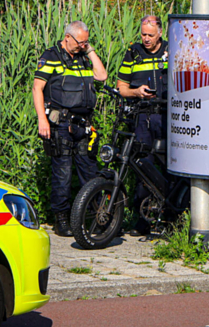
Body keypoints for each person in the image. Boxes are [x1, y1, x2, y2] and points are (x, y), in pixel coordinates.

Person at [33, 21, 107, 236]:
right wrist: (42, 120)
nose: (83, 45)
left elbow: (102, 76)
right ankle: (61, 219)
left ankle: (96, 217)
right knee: (62, 174)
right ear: (67, 37)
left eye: (86, 41)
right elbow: (37, 88)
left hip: (83, 124)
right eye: (80, 42)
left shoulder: (84, 57)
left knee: (89, 172)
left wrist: (90, 50)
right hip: (61, 124)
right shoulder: (51, 56)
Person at [116, 15, 168, 236]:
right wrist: (136, 92)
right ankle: (142, 220)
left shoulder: (172, 49)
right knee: (141, 166)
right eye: (143, 34)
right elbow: (121, 87)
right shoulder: (133, 53)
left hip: (167, 117)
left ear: (160, 34)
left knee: (169, 166)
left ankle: (168, 217)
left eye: (150, 35)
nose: (146, 39)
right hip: (142, 117)